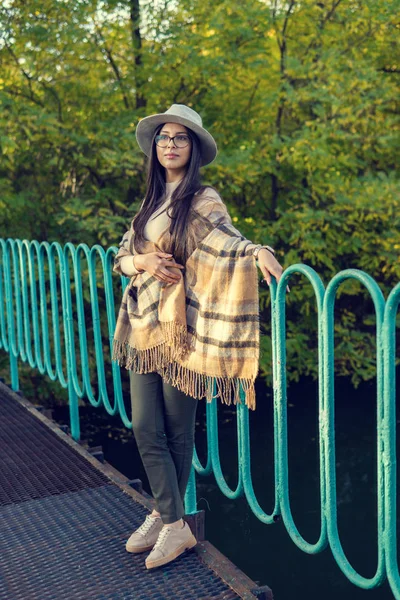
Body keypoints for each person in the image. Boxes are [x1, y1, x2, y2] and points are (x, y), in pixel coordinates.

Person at [112, 104, 285, 570]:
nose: (170, 144)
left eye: (180, 138)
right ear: (156, 147)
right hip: (144, 323)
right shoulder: (149, 198)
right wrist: (143, 262)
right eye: (164, 137)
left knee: (175, 429)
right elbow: (122, 256)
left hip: (184, 328)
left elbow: (226, 239)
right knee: (145, 426)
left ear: (193, 148)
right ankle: (172, 521)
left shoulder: (203, 198)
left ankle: (167, 520)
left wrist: (258, 250)